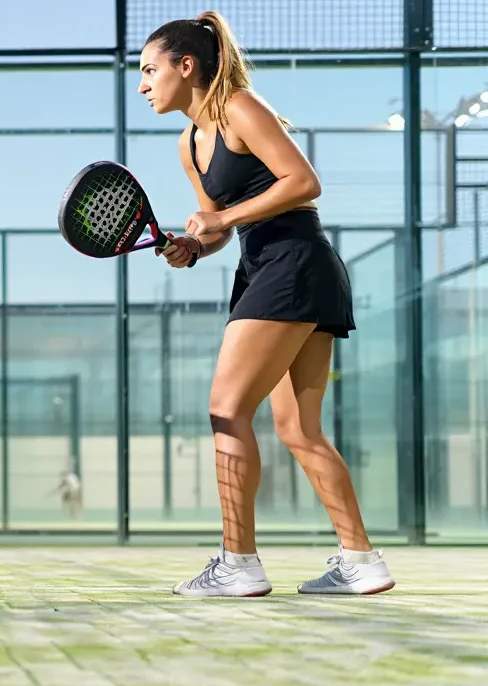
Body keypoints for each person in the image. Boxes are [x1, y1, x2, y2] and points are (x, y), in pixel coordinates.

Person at [137, 11, 395, 597]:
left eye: (151, 70)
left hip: (295, 263)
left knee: (227, 409)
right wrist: (193, 247)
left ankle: (238, 564)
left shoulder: (241, 107)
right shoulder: (189, 143)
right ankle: (363, 560)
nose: (143, 84)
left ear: (187, 65)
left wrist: (221, 217)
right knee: (299, 429)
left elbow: (303, 182)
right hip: (270, 267)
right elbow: (218, 228)